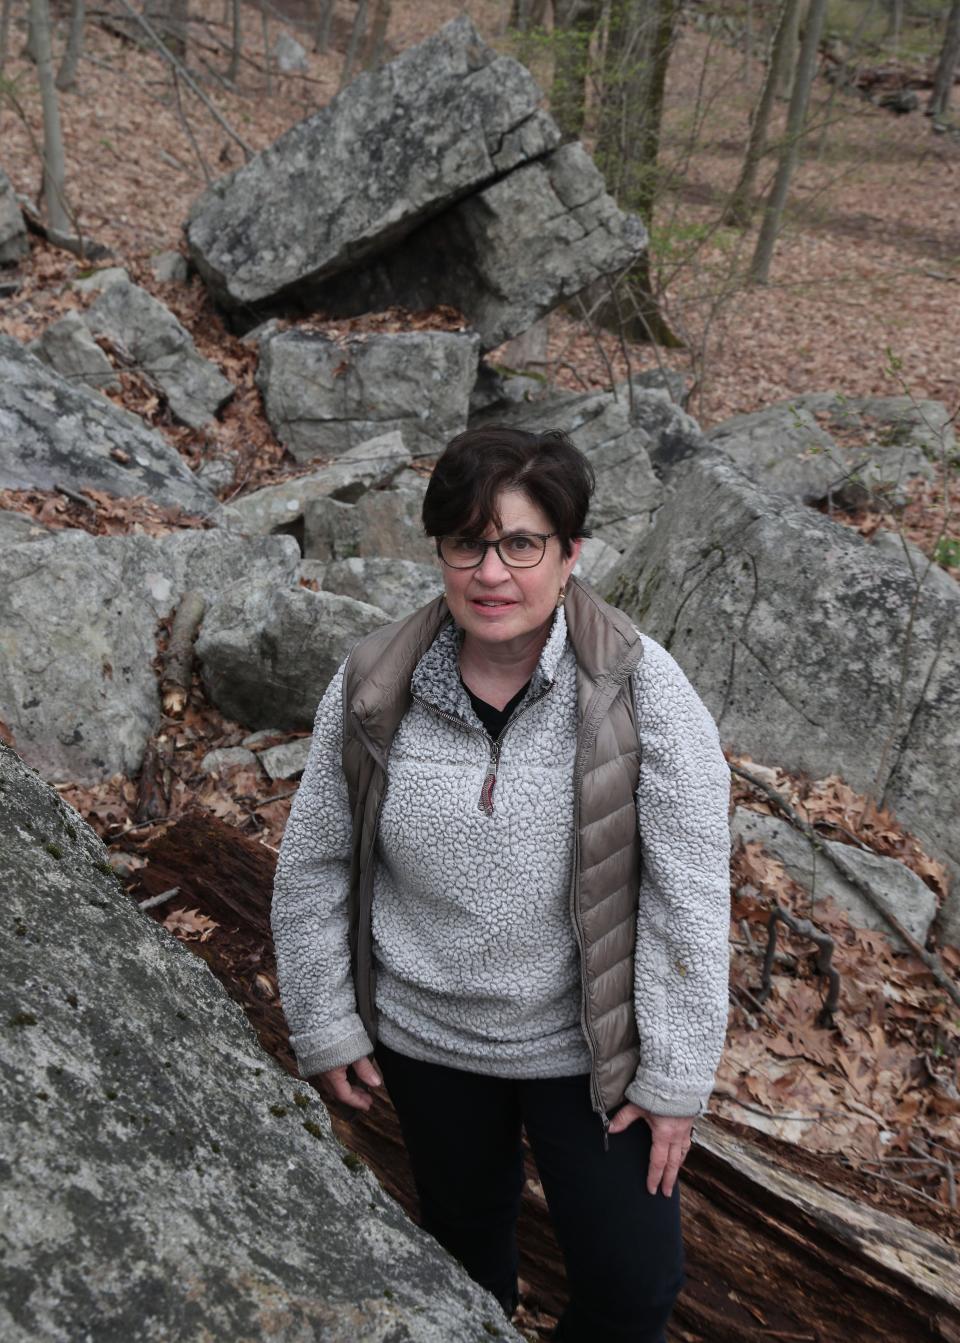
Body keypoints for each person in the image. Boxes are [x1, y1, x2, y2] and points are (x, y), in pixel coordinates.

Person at [271, 426, 731, 1343]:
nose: (492, 571)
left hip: (593, 1055)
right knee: (464, 1261)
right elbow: (316, 858)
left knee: (637, 1284)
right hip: (428, 1040)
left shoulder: (642, 688)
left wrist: (678, 1072)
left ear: (570, 554)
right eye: (467, 543)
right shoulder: (372, 684)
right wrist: (322, 1017)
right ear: (439, 549)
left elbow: (691, 886)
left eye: (521, 543)